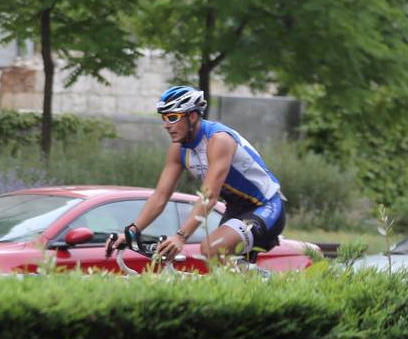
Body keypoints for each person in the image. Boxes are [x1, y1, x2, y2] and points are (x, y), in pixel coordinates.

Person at [105, 85, 285, 263]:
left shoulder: (218, 140)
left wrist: (180, 236)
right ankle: (257, 282)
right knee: (221, 272)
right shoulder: (178, 150)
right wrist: (132, 232)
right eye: (164, 118)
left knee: (211, 249)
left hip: (265, 206)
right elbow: (160, 196)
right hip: (235, 209)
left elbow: (209, 197)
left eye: (173, 117)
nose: (167, 125)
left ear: (192, 116)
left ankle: (267, 282)